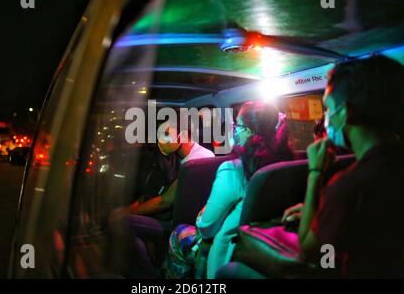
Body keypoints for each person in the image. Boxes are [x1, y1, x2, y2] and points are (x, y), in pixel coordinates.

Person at [297, 55, 404, 278]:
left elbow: (313, 252)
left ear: (346, 112)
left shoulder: (348, 185)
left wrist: (315, 173)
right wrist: (324, 214)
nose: (326, 118)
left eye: (328, 108)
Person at [165, 101, 295, 279]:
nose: (232, 129)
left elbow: (206, 227)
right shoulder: (288, 164)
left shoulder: (233, 171)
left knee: (178, 235)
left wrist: (202, 212)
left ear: (248, 131)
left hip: (227, 257)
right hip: (263, 248)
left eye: (236, 125)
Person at [108, 119, 215, 278]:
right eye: (159, 135)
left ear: (183, 135)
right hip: (176, 217)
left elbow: (165, 201)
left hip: (182, 226)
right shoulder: (177, 158)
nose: (161, 140)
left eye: (166, 134)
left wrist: (128, 212)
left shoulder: (197, 160)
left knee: (123, 222)